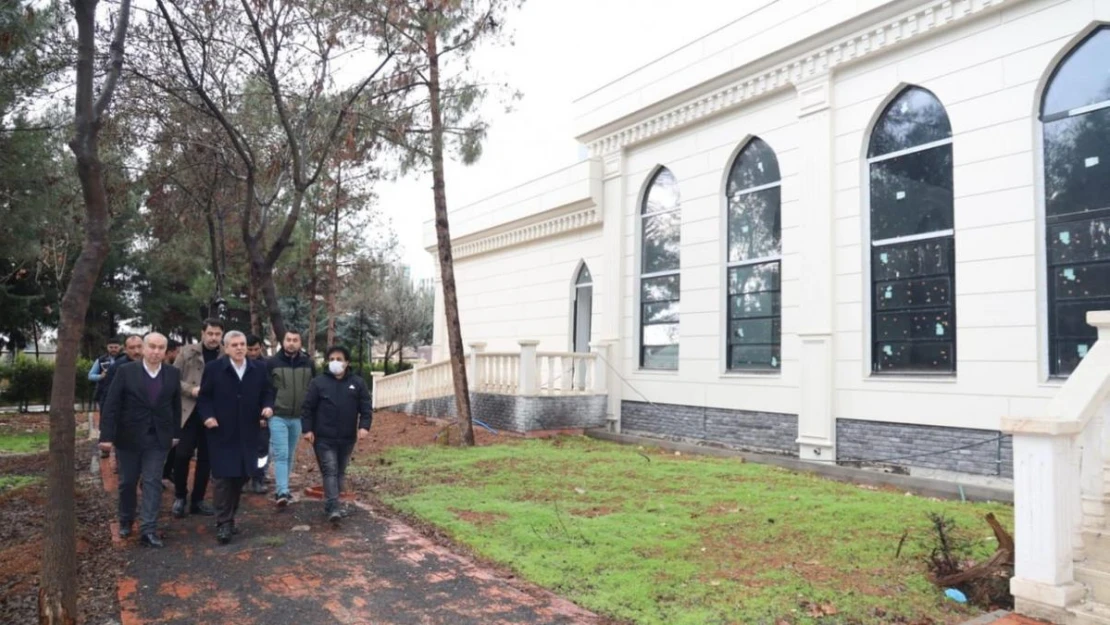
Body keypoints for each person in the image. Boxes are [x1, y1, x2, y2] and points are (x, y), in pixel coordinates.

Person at [98, 333, 182, 548]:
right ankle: (126, 519)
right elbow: (112, 404)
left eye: (161, 348)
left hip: (157, 438)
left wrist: (175, 433)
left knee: (153, 481)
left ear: (166, 351)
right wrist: (106, 436)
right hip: (128, 438)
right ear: (144, 349)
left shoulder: (172, 374)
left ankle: (149, 529)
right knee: (127, 482)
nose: (156, 351)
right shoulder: (126, 372)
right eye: (152, 346)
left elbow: (175, 406)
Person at [197, 330, 274, 544]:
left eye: (242, 344)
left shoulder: (258, 368)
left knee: (241, 476)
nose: (240, 348)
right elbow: (204, 398)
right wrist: (208, 417)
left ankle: (229, 516)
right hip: (222, 431)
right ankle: (223, 523)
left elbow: (268, 392)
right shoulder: (214, 369)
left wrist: (268, 406)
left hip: (248, 432)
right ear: (226, 347)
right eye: (235, 344)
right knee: (223, 477)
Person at [301, 346, 371, 524]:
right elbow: (307, 408)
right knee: (330, 470)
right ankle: (333, 507)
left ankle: (333, 503)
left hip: (347, 438)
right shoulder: (318, 383)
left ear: (347, 362)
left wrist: (364, 427)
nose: (335, 362)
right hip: (323, 437)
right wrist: (307, 429)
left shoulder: (358, 383)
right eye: (332, 358)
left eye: (339, 359)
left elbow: (366, 408)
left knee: (340, 472)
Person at [171, 318, 224, 518]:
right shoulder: (187, 352)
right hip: (189, 410)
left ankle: (198, 500)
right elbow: (172, 378)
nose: (213, 338)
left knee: (206, 458)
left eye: (217, 334)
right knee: (182, 454)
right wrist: (191, 389)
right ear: (203, 333)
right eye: (210, 333)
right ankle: (180, 496)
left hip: (213, 413)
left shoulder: (225, 355)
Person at [266, 330, 315, 508]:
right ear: (283, 341)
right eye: (288, 339)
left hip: (298, 417)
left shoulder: (308, 363)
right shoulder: (272, 363)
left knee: (290, 454)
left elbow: (313, 389)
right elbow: (267, 389)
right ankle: (282, 491)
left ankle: (283, 488)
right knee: (281, 453)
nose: (291, 343)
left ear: (300, 342)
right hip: (278, 415)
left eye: (295, 340)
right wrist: (267, 409)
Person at [245, 333, 269, 494]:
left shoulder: (266, 366)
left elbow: (268, 392)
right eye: (250, 349)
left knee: (261, 449)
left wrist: (263, 415)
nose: (253, 353)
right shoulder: (238, 364)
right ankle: (243, 478)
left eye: (256, 349)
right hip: (240, 415)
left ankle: (258, 478)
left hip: (261, 415)